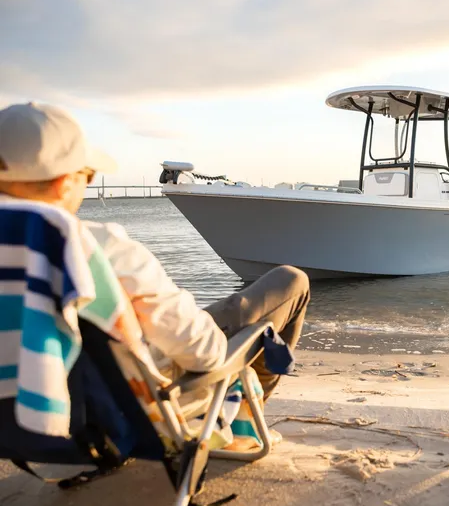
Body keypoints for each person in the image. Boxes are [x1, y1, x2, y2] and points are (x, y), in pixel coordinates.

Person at [0, 102, 309, 445]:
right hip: (123, 410)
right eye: (87, 175)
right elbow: (203, 352)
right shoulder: (97, 248)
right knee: (292, 282)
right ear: (63, 182)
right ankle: (244, 423)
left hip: (26, 418)